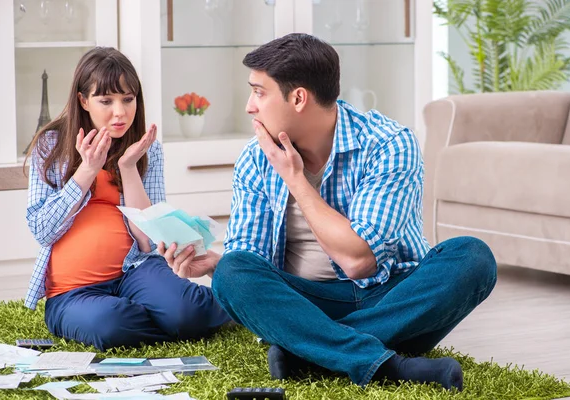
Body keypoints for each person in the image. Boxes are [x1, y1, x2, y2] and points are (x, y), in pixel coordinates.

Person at [160, 33, 497, 391]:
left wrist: (295, 179)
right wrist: (215, 264)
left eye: (259, 92)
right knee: (232, 271)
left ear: (299, 98)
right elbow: (251, 260)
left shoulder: (389, 144)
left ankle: (310, 352)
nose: (249, 105)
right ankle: (388, 365)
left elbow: (359, 261)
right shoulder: (255, 156)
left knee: (473, 257)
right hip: (306, 302)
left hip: (391, 295)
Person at [24, 47, 230, 351]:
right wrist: (87, 171)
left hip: (136, 270)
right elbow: (42, 231)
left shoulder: (147, 149)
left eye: (128, 99)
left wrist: (128, 168)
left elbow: (148, 241)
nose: (120, 112)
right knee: (109, 326)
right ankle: (168, 316)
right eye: (106, 101)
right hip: (73, 291)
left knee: (187, 312)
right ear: (83, 100)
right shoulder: (51, 144)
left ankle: (190, 312)